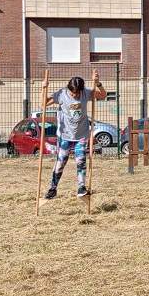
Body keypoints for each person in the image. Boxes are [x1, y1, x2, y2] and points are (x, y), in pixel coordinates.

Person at [43, 71, 107, 200]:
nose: (75, 95)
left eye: (77, 93)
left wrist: (98, 83)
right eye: (73, 93)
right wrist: (44, 88)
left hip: (81, 135)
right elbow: (44, 103)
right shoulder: (61, 94)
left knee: (81, 161)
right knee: (61, 162)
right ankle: (53, 188)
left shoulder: (85, 93)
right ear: (69, 89)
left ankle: (81, 187)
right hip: (64, 135)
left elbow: (103, 96)